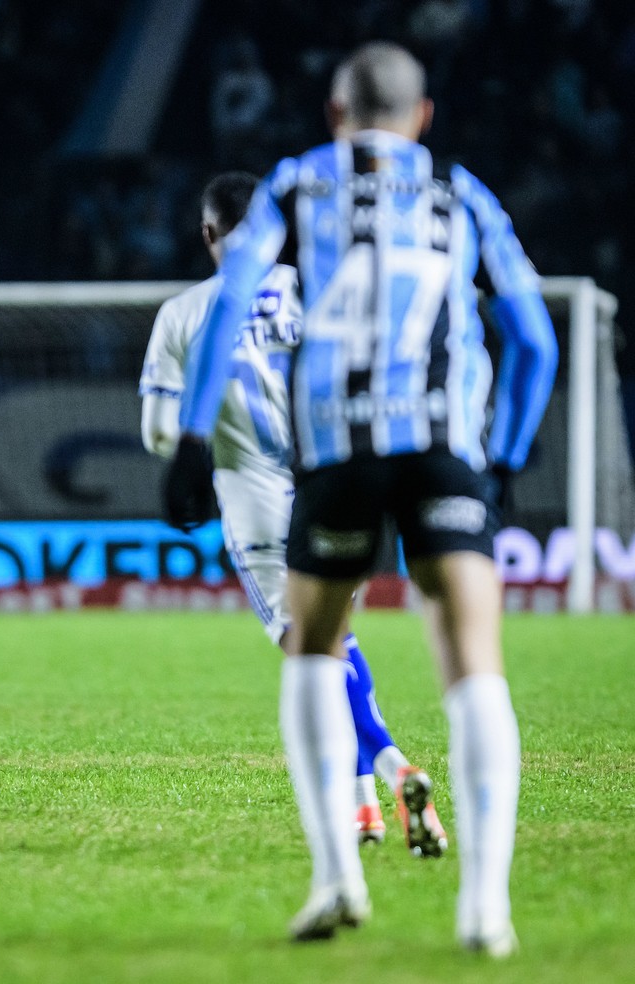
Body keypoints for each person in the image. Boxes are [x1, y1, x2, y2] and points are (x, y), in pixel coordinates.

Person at [166, 42, 558, 956]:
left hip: (338, 452)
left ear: (335, 114)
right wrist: (501, 457)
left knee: (311, 651)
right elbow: (533, 337)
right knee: (473, 664)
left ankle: (338, 878)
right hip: (442, 451)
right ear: (423, 117)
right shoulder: (463, 191)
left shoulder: (299, 185)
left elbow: (230, 306)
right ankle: (484, 912)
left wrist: (191, 438)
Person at [140, 171, 447, 855]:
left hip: (252, 496)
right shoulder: (321, 290)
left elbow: (160, 434)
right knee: (338, 637)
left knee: (310, 651)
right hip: (337, 483)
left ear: (209, 233)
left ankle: (394, 768)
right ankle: (364, 809)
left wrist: (201, 434)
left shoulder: (186, 313)